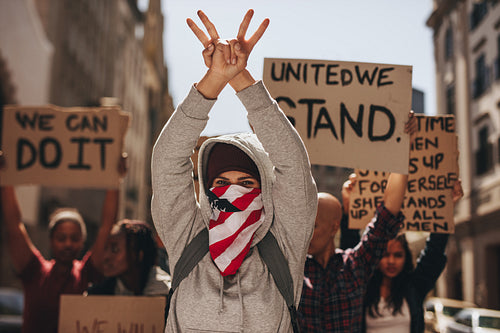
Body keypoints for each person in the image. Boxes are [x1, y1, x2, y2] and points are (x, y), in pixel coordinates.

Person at [151, 9, 317, 332]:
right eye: (222, 183)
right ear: (208, 191)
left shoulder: (283, 245)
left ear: (265, 187)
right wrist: (213, 80)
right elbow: (166, 161)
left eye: (245, 182)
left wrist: (241, 80)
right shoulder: (188, 239)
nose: (234, 191)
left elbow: (294, 167)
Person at [298, 112, 417, 333]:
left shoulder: (355, 265)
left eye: (313, 226)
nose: (305, 234)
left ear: (335, 226)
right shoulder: (293, 269)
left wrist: (403, 144)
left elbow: (388, 213)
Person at [0, 150, 125, 333]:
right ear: (51, 241)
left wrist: (116, 179)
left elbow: (107, 226)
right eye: (61, 238)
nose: (68, 244)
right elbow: (14, 224)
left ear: (82, 242)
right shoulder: (34, 271)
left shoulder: (87, 274)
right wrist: (5, 177)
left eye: (74, 238)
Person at [363, 179, 464, 333]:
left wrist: (446, 210)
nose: (391, 261)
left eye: (398, 255)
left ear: (406, 257)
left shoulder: (414, 287)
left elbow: (433, 253)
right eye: (385, 255)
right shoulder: (362, 286)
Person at [86, 219, 171, 296]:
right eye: (106, 248)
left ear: (138, 255)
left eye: (115, 249)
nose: (106, 257)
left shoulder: (165, 291)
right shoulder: (98, 293)